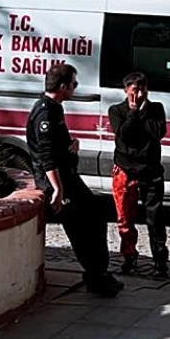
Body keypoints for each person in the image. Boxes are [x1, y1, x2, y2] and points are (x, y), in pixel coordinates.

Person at [26, 64, 123, 297]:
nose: (75, 88)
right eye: (74, 84)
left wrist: (71, 147)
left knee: (96, 216)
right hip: (58, 183)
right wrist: (57, 190)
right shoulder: (45, 113)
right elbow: (47, 157)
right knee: (79, 229)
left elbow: (56, 148)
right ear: (63, 86)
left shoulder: (54, 108)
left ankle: (99, 272)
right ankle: (95, 277)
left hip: (68, 176)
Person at [108, 72, 169, 278]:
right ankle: (129, 257)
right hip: (126, 170)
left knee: (155, 218)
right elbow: (123, 135)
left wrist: (142, 114)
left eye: (143, 89)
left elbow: (158, 132)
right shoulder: (117, 110)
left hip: (151, 171)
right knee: (125, 218)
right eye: (135, 90)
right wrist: (133, 113)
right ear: (126, 91)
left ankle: (160, 262)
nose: (140, 94)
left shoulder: (156, 109)